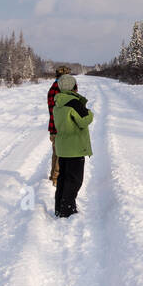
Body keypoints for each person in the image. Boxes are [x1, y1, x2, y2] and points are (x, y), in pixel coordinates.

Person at [51, 72, 93, 218]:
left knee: (62, 180)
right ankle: (67, 211)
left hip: (63, 148)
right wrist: (88, 112)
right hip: (75, 148)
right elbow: (85, 120)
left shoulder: (58, 102)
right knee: (74, 181)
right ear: (73, 87)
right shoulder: (73, 102)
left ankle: (59, 208)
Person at [46, 67, 72, 186]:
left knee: (56, 153)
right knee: (61, 153)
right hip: (60, 126)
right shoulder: (62, 89)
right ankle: (56, 178)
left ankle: (54, 176)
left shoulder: (53, 88)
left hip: (54, 127)